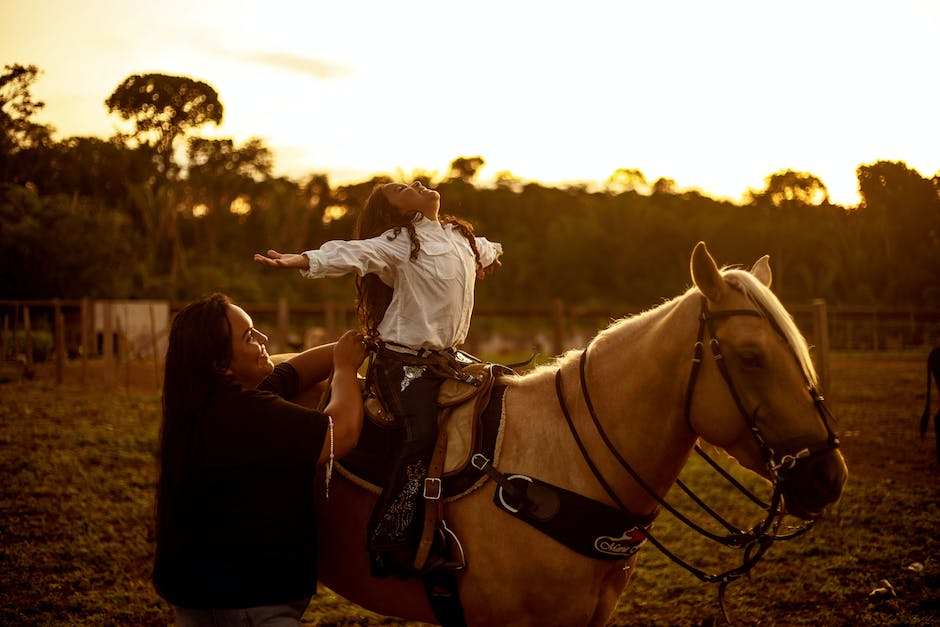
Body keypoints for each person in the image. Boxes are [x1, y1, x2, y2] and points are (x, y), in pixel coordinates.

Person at [253, 180, 503, 578]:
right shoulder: (399, 242)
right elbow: (354, 252)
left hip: (448, 359)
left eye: (409, 183)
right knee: (419, 435)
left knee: (504, 389)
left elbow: (487, 249)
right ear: (399, 213)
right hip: (401, 364)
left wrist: (488, 257)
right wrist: (300, 260)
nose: (416, 184)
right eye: (401, 190)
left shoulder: (460, 237)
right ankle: (391, 538)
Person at [152, 292, 366, 626]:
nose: (264, 339)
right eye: (250, 337)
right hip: (251, 607)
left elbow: (291, 372)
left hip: (200, 600)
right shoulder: (247, 415)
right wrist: (345, 369)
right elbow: (342, 432)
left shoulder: (200, 404)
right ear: (220, 364)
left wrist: (355, 343)